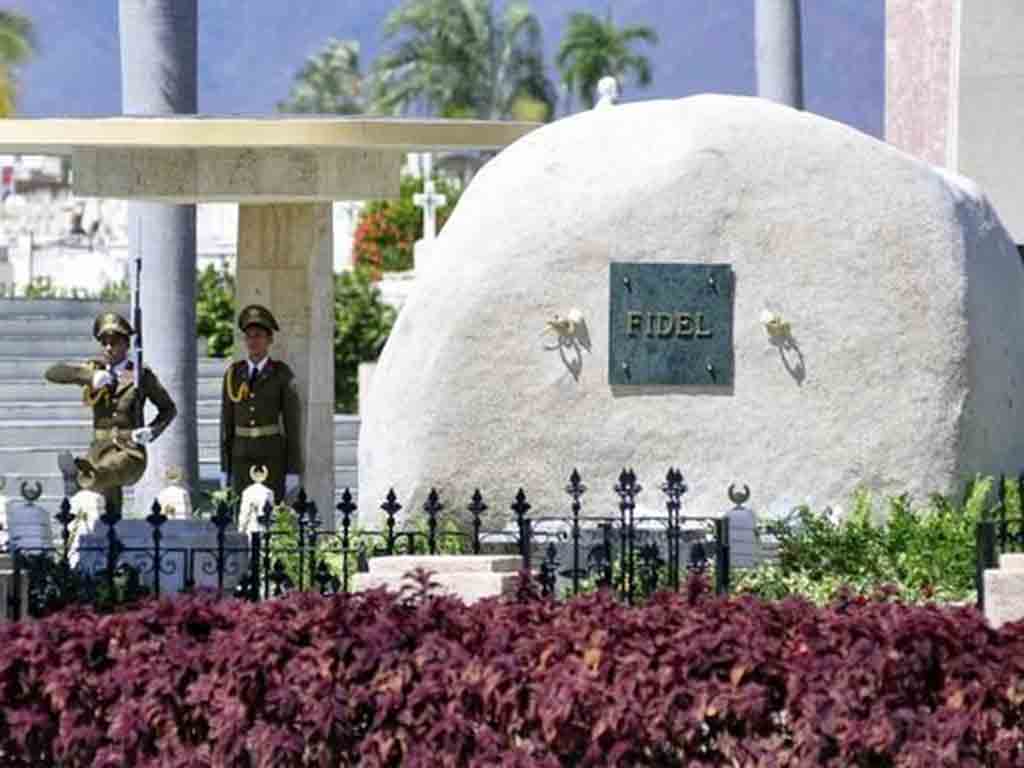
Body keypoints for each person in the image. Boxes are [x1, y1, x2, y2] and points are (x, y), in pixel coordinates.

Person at [44, 312, 177, 513]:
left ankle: (81, 478)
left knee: (108, 468)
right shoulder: (94, 369)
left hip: (129, 450)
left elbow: (169, 409)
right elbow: (53, 373)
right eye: (104, 342)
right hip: (99, 449)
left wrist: (152, 430)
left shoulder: (140, 375)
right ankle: (110, 537)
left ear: (126, 344)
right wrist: (89, 377)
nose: (108, 348)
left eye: (114, 342)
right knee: (109, 512)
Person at [220, 304, 301, 503]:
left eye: (258, 335)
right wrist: (225, 467)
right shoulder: (234, 374)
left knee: (270, 513)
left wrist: (293, 469)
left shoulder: (281, 373)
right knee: (242, 515)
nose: (253, 341)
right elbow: (226, 425)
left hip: (271, 455)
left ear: (269, 340)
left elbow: (292, 425)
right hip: (240, 456)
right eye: (249, 336)